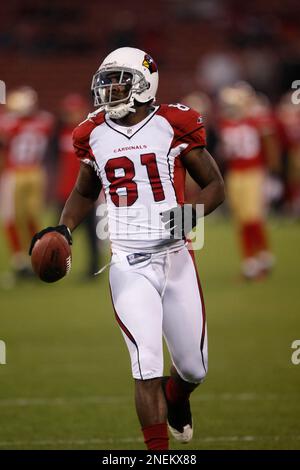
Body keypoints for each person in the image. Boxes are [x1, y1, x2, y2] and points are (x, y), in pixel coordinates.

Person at [29, 47, 225, 450]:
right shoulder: (92, 132)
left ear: (144, 82)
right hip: (129, 264)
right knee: (146, 366)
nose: (109, 90)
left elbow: (215, 186)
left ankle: (178, 396)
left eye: (118, 81)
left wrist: (190, 216)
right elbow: (84, 191)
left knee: (193, 368)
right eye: (105, 82)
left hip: (177, 258)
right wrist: (64, 230)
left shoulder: (174, 122)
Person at [217, 82, 278, 280]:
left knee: (252, 217)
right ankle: (250, 262)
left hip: (253, 172)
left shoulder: (256, 120)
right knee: (241, 220)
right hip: (235, 174)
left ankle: (263, 256)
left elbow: (269, 144)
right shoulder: (225, 122)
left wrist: (272, 171)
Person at [0, 86, 53, 278]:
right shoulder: (45, 121)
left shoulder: (9, 122)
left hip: (16, 172)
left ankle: (20, 260)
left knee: (11, 217)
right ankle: (35, 257)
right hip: (36, 172)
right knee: (32, 217)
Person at [48, 93, 101, 278]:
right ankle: (53, 266)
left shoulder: (89, 134)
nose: (71, 114)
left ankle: (94, 268)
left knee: (90, 235)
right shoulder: (59, 133)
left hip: (85, 193)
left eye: (74, 110)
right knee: (58, 235)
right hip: (64, 192)